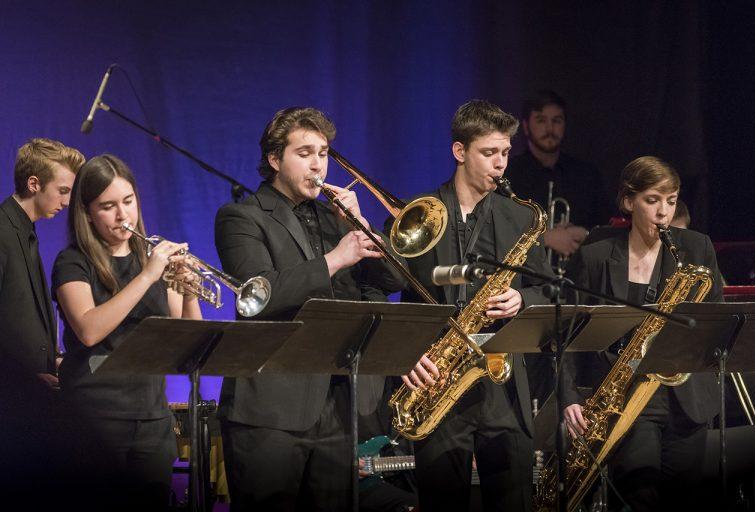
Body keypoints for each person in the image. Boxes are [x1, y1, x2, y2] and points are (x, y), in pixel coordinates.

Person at [214, 107, 405, 511]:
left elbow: (394, 282)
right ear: (274, 159)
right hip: (270, 409)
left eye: (322, 153)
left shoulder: (337, 217)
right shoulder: (241, 217)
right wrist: (334, 259)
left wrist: (361, 225)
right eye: (304, 153)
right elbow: (257, 295)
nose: (317, 163)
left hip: (338, 406)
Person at [393, 100, 554, 512]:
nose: (500, 164)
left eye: (504, 153)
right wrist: (406, 354)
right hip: (439, 381)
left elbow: (547, 291)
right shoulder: (420, 213)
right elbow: (379, 288)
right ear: (459, 152)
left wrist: (523, 297)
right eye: (489, 153)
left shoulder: (519, 216)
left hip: (503, 387)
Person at [562, 156, 724, 511]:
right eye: (652, 200)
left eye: (671, 200)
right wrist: (569, 396)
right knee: (640, 498)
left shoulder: (697, 248)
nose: (663, 212)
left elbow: (715, 321)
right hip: (627, 396)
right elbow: (571, 329)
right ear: (628, 201)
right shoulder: (597, 253)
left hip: (687, 400)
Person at [53, 154, 201, 508]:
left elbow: (187, 342)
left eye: (128, 201)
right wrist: (148, 275)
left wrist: (189, 293)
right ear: (87, 213)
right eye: (108, 206)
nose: (123, 216)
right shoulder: (73, 262)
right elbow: (89, 330)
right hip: (94, 419)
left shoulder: (151, 260)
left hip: (152, 418)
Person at [0, 138, 84, 386]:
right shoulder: (3, 231)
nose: (67, 202)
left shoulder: (24, 231)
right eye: (63, 191)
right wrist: (21, 379)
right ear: (34, 184)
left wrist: (52, 360)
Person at [503, 89, 610, 259]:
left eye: (557, 121)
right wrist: (545, 239)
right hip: (522, 280)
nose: (550, 128)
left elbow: (607, 227)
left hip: (577, 278)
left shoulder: (587, 175)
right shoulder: (508, 174)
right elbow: (497, 233)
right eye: (541, 120)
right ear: (525, 126)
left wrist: (586, 233)